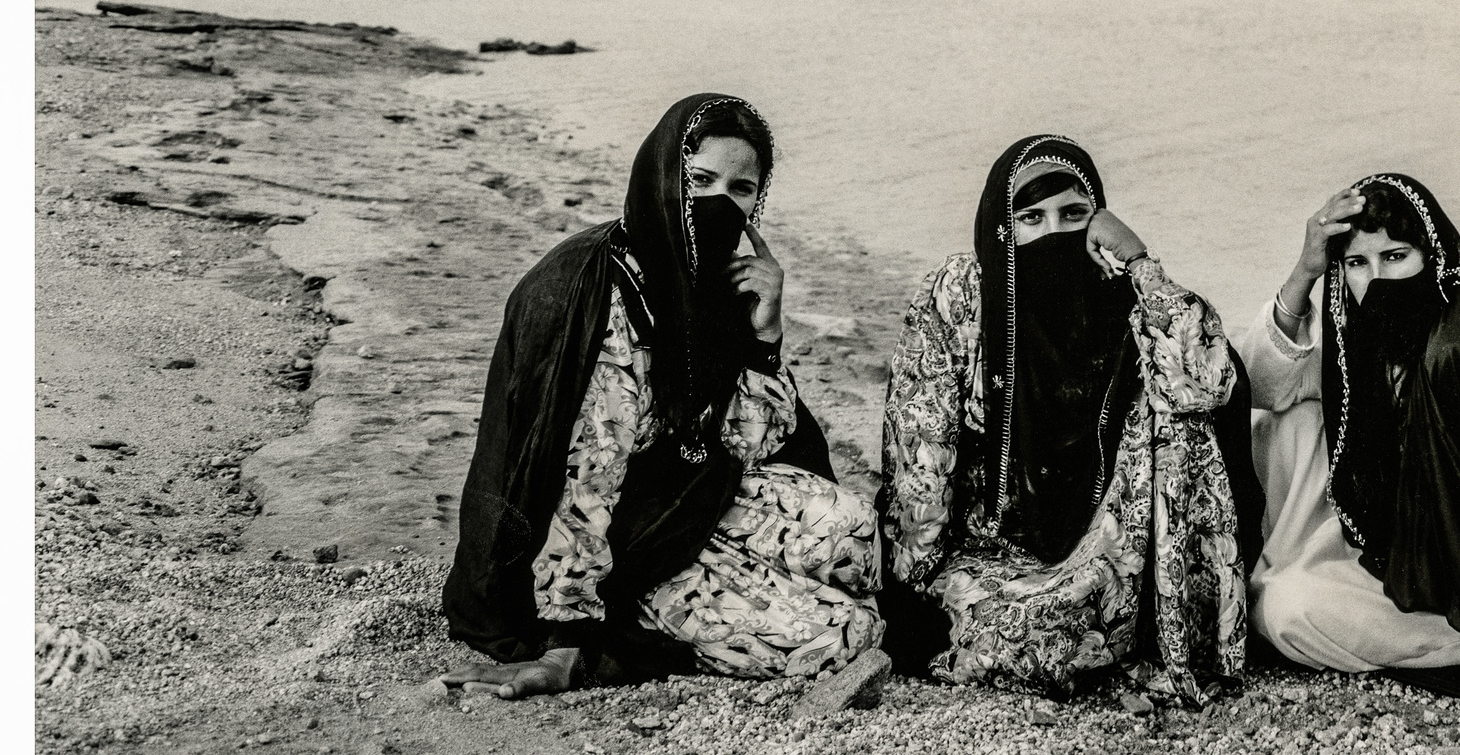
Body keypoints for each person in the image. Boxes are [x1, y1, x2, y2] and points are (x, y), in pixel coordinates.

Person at [440, 93, 881, 696]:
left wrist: (766, 335)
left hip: (680, 495)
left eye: (741, 189)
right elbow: (583, 480)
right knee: (841, 638)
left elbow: (758, 440)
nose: (718, 203)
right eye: (699, 180)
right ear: (663, 175)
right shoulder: (598, 296)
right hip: (611, 541)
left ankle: (732, 599)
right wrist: (566, 642)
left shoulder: (712, 279)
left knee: (853, 530)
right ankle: (617, 648)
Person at [879, 134, 1255, 700]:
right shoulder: (963, 297)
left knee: (1177, 415)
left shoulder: (1123, 302)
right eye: (1031, 217)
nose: (1054, 233)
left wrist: (1140, 261)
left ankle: (1160, 623)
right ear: (1003, 230)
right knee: (1014, 628)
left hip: (1101, 548)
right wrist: (916, 579)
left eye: (1074, 214)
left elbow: (1208, 381)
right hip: (985, 548)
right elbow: (920, 452)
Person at [1242, 173, 1460, 727]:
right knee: (1289, 416)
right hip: (1408, 557)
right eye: (1357, 264)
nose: (1377, 278)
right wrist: (1305, 272)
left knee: (1285, 611)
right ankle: (1293, 573)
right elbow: (1259, 385)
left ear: (1432, 258)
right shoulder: (1362, 339)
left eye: (1396, 255)